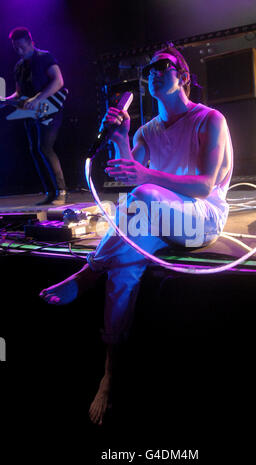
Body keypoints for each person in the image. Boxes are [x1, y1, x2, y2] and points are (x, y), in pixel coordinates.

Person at [39, 46, 233, 424]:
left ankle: (88, 271)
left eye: (162, 66)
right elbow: (126, 171)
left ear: (184, 76)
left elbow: (204, 184)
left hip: (202, 218)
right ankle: (110, 374)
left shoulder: (210, 120)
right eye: (149, 69)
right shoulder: (146, 130)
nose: (153, 72)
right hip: (157, 218)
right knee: (125, 264)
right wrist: (119, 135)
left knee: (141, 199)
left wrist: (145, 179)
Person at [5, 27, 67, 205]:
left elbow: (58, 81)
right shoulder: (19, 66)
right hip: (31, 114)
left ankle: (61, 191)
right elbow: (18, 94)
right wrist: (5, 101)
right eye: (15, 48)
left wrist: (38, 98)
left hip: (50, 110)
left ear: (31, 43)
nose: (19, 51)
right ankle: (50, 192)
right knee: (35, 150)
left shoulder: (44, 57)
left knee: (45, 147)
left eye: (22, 47)